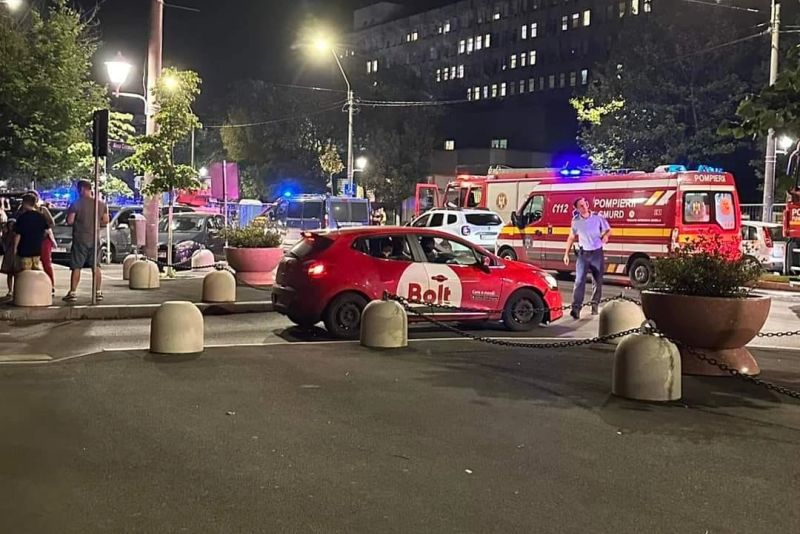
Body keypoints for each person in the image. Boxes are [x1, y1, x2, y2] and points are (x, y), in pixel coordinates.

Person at [563, 197, 611, 319]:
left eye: (585, 204)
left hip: (597, 253)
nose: (584, 207)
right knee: (579, 281)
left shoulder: (597, 217)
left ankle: (595, 305)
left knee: (597, 281)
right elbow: (571, 237)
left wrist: (606, 236)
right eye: (581, 206)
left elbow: (608, 230)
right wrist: (566, 254)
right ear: (577, 209)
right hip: (583, 254)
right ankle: (576, 309)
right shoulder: (576, 221)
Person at [63, 180, 109, 302]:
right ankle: (98, 292)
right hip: (95, 238)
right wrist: (95, 223)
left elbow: (70, 221)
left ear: (82, 189)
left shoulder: (76, 204)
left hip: (80, 238)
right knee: (96, 266)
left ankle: (73, 292)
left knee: (77, 266)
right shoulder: (101, 204)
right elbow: (106, 220)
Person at [13, 193, 49, 273]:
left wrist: (15, 248)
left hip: (24, 249)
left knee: (25, 272)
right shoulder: (41, 216)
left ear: (25, 203)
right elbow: (46, 231)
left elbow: (18, 234)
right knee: (35, 271)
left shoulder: (22, 217)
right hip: (36, 249)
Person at [1, 219, 16, 297]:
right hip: (9, 254)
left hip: (15, 254)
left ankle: (15, 289)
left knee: (16, 274)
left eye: (12, 225)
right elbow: (4, 243)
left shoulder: (17, 233)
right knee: (9, 273)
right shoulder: (6, 235)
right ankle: (10, 290)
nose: (11, 227)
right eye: (10, 225)